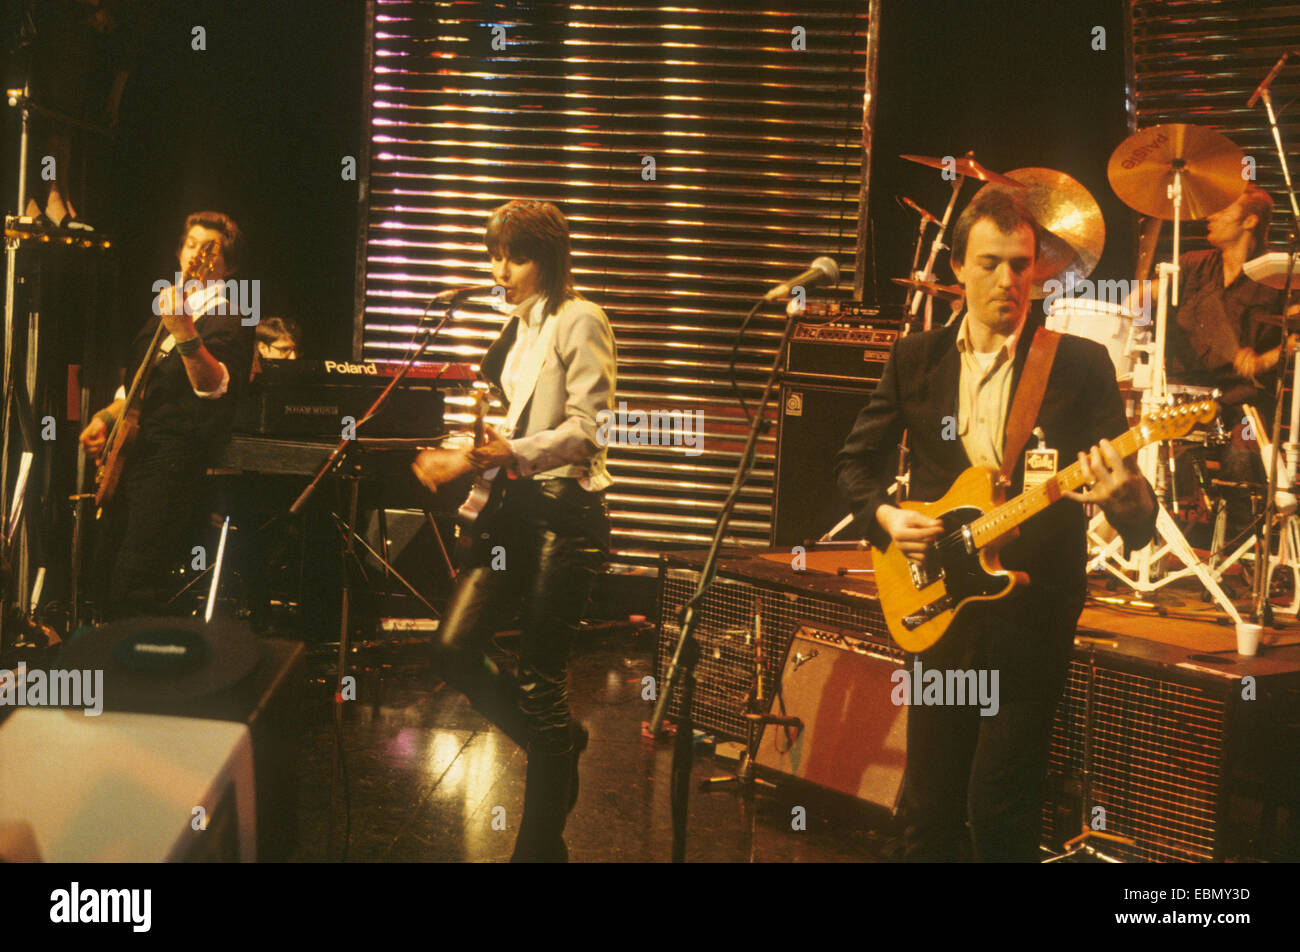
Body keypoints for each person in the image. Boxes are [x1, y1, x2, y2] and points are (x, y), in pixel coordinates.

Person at [835, 187, 1156, 862]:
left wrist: (1123, 497)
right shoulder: (915, 358)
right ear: (957, 267)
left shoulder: (1077, 365)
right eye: (990, 263)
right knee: (928, 807)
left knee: (1003, 809)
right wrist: (890, 518)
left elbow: (1137, 522)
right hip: (936, 603)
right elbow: (854, 467)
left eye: (1021, 264)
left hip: (1030, 615)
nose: (1007, 280)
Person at [411, 200, 615, 862]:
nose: (502, 270)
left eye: (516, 256)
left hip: (567, 514)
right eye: (495, 255)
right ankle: (556, 743)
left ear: (549, 260)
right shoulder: (515, 330)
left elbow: (588, 432)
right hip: (516, 512)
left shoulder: (579, 319)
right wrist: (460, 451)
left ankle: (538, 851)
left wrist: (501, 453)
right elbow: (504, 432)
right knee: (452, 649)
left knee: (539, 680)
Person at [80, 211, 255, 619]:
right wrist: (107, 418)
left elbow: (213, 387)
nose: (197, 254)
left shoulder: (230, 314)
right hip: (136, 453)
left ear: (228, 266)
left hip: (174, 461)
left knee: (136, 583)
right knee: (104, 573)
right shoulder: (166, 308)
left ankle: (147, 675)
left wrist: (185, 333)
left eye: (210, 249)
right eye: (192, 244)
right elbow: (141, 386)